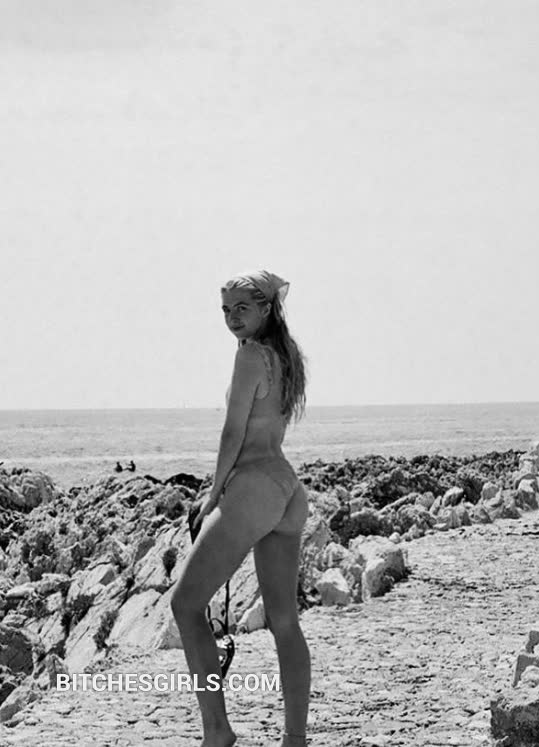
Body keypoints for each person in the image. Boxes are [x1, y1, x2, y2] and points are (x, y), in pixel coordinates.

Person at [171, 270, 310, 747]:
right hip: (286, 488)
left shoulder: (250, 356)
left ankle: (217, 730)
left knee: (185, 604)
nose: (232, 317)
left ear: (266, 309)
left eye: (242, 308)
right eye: (226, 309)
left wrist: (213, 495)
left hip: (253, 488)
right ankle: (295, 739)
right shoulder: (286, 356)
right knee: (284, 622)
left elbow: (233, 432)